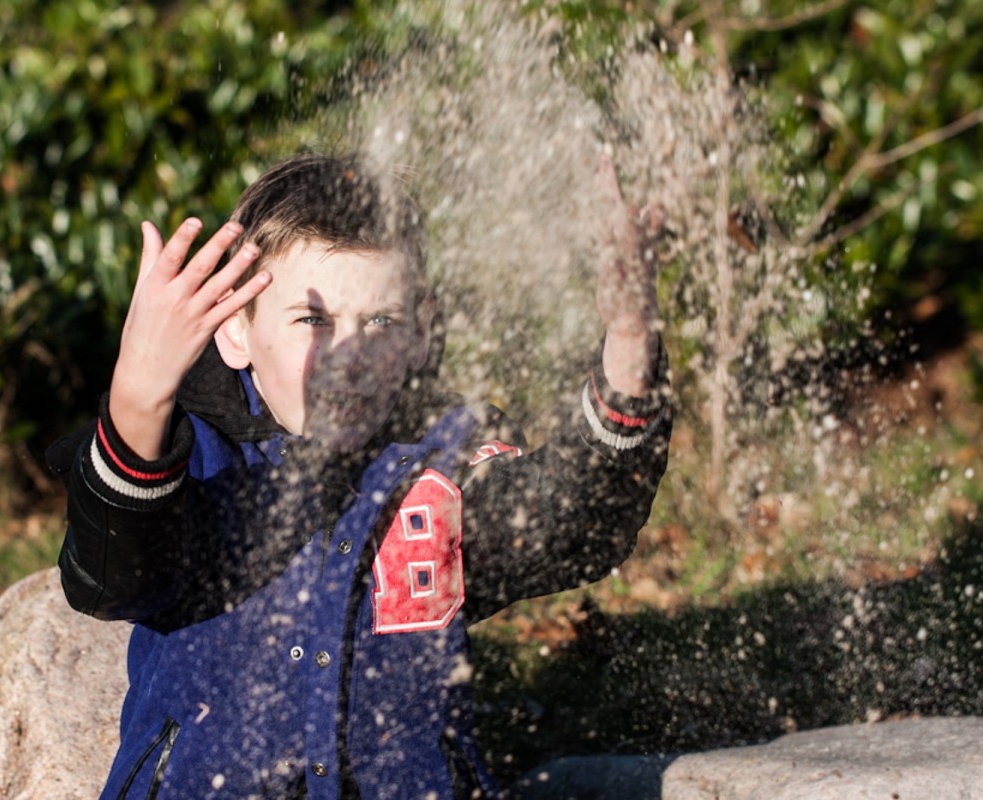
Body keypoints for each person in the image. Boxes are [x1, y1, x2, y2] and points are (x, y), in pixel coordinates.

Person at [49, 151, 671, 799]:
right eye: (313, 321)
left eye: (381, 323)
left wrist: (631, 340)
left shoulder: (446, 457)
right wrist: (139, 395)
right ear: (236, 330)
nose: (348, 357)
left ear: (422, 331)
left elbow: (574, 526)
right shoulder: (191, 458)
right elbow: (105, 580)